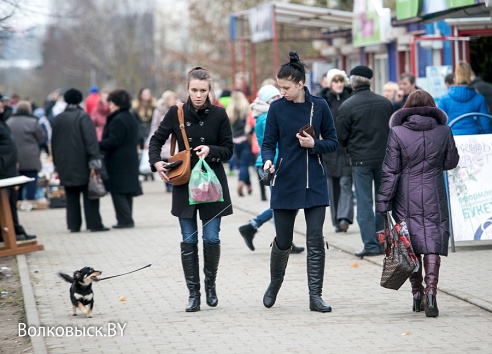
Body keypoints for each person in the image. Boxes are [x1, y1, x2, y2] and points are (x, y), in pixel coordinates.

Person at [148, 67, 233, 312]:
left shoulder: (219, 114)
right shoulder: (175, 113)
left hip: (212, 184)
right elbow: (156, 140)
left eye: (203, 91)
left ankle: (210, 285)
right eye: (194, 90)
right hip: (184, 183)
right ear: (187, 89)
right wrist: (156, 161)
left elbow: (228, 149)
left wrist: (211, 150)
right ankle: (193, 294)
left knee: (212, 238)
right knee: (188, 240)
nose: (198, 95)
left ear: (209, 90)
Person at [261, 52, 338, 312]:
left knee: (315, 238)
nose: (282, 92)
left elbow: (334, 142)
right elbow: (268, 143)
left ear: (300, 84)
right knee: (283, 240)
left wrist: (314, 144)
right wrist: (268, 161)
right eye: (280, 87)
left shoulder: (321, 106)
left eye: (286, 88)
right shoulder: (276, 108)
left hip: (314, 181)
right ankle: (274, 283)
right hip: (285, 180)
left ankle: (315, 296)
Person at [376, 90, 460, 317]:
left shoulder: (398, 132)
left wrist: (383, 201)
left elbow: (390, 170)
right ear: (432, 107)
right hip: (434, 191)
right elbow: (451, 162)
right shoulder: (444, 131)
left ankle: (417, 294)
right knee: (431, 241)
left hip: (405, 195)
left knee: (409, 244)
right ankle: (431, 293)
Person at [238, 84, 304, 254]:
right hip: (273, 164)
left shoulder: (265, 115)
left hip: (271, 163)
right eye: (273, 98)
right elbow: (274, 144)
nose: (277, 100)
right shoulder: (268, 117)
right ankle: (283, 241)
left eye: (278, 97)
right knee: (282, 205)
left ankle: (253, 227)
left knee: (282, 204)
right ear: (266, 101)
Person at [337, 65, 393, 258]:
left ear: (352, 84)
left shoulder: (347, 106)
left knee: (364, 203)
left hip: (360, 161)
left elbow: (341, 137)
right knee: (382, 201)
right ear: (370, 82)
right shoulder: (385, 103)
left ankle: (370, 245)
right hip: (384, 159)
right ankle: (383, 241)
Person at [51, 88, 109, 233]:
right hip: (83, 163)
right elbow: (91, 141)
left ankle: (73, 225)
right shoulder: (83, 117)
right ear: (79, 100)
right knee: (90, 194)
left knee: (71, 195)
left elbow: (54, 143)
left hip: (64, 163)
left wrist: (57, 163)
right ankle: (94, 224)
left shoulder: (58, 118)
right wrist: (95, 160)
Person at [100, 89, 141, 229]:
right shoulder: (129, 117)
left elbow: (113, 141)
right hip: (129, 158)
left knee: (117, 190)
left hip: (118, 160)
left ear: (117, 103)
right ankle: (127, 218)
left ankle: (124, 220)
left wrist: (97, 145)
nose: (109, 105)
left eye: (111, 102)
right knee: (127, 190)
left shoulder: (118, 119)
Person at [320, 68, 354, 233]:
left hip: (347, 148)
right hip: (330, 149)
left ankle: (344, 217)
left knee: (345, 183)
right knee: (333, 185)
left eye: (341, 81)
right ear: (330, 83)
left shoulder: (350, 98)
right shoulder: (323, 100)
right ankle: (336, 220)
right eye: (336, 81)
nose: (339, 84)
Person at [0, 95, 36, 242]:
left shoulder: (3, 121)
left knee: (11, 202)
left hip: (9, 168)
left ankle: (15, 230)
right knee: (6, 203)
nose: (2, 105)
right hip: (3, 169)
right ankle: (10, 233)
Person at [6, 101, 46, 203]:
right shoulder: (33, 121)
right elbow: (41, 137)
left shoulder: (9, 121)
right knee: (32, 177)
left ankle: (18, 200)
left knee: (17, 179)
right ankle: (30, 200)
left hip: (15, 156)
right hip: (30, 155)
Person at [438, 61, 491, 135]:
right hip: (474, 139)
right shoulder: (479, 98)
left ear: (454, 79)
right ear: (470, 78)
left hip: (452, 137)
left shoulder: (444, 99)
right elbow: (485, 124)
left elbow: (439, 123)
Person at [145, 90, 180, 193]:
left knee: (174, 160)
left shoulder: (179, 109)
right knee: (164, 162)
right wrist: (149, 140)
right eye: (169, 99)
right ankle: (167, 182)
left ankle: (173, 181)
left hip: (174, 140)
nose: (171, 101)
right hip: (163, 138)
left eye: (173, 98)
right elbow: (154, 126)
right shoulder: (159, 111)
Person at [226, 91, 253, 197]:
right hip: (246, 139)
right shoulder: (247, 110)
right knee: (244, 164)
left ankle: (249, 185)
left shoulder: (229, 111)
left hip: (234, 141)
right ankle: (241, 183)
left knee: (242, 164)